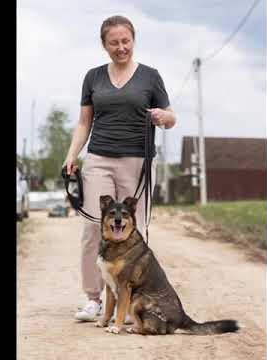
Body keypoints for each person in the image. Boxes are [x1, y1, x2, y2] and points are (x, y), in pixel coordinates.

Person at [63, 15, 177, 322]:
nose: (121, 47)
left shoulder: (150, 77)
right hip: (98, 158)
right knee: (92, 229)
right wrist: (71, 154)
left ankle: (131, 300)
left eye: (125, 41)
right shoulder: (93, 77)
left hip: (137, 162)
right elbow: (85, 121)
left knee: (132, 232)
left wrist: (163, 118)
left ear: (133, 40)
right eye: (114, 42)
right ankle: (93, 299)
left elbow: (171, 116)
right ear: (104, 45)